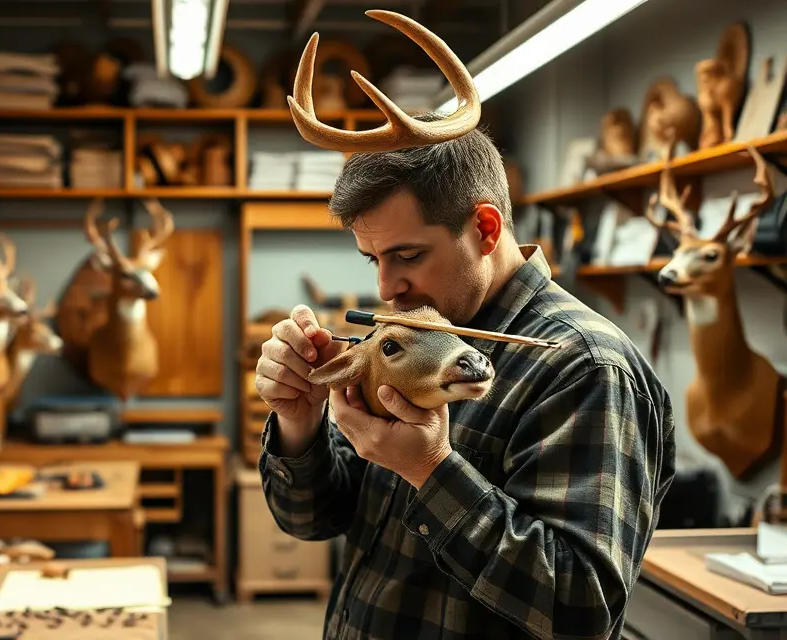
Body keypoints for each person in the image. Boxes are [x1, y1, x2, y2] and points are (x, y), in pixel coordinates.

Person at [256, 115, 676, 640]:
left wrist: (431, 470)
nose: (388, 288)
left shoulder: (585, 367)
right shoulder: (410, 335)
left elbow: (581, 609)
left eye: (407, 256)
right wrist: (300, 422)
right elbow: (313, 519)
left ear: (485, 228)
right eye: (373, 261)